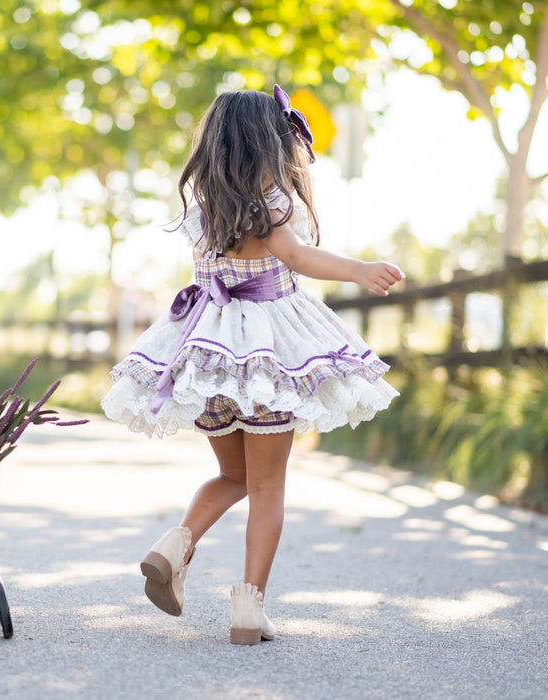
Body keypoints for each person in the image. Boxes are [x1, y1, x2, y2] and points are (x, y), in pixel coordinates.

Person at [100, 85, 404, 645]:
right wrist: (360, 270)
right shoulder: (269, 205)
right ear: (267, 144)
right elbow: (296, 257)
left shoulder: (205, 210)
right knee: (266, 486)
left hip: (207, 356)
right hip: (265, 358)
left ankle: (176, 545)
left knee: (232, 475)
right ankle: (248, 608)